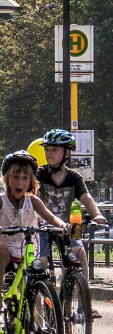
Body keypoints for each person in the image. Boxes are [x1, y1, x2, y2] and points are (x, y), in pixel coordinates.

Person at [0, 151, 69, 317]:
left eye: (25, 178)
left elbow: (50, 217)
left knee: (35, 280)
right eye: (16, 177)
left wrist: (62, 225)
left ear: (31, 181)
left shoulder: (33, 200)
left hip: (28, 249)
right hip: (5, 250)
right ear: (7, 178)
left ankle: (38, 328)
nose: (20, 182)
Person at [36, 129, 107, 318]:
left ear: (66, 153)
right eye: (47, 150)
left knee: (80, 254)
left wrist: (97, 214)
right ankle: (40, 309)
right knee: (41, 263)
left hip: (69, 227)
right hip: (44, 226)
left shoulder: (74, 177)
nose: (49, 153)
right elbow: (34, 198)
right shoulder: (40, 174)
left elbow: (86, 197)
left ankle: (84, 304)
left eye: (54, 150)